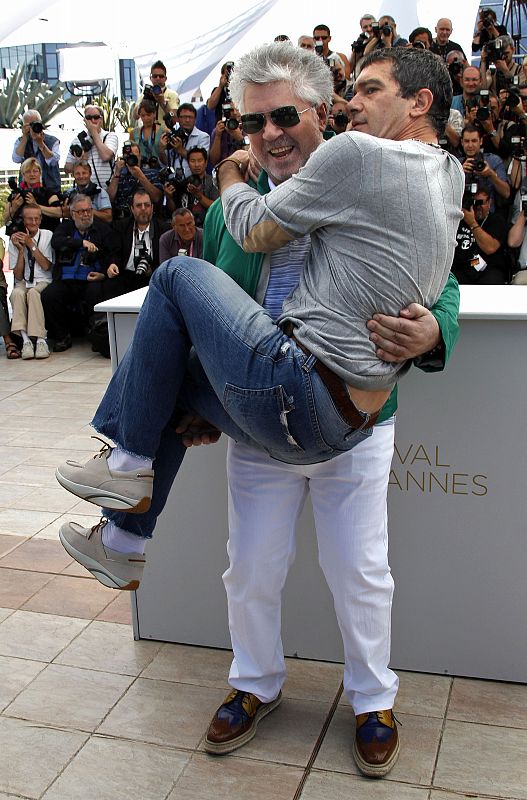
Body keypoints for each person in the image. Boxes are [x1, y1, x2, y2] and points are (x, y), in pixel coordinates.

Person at [56, 46, 462, 778]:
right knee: (250, 567)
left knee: (359, 569)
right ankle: (253, 685)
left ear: (320, 114)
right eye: (251, 122)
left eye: (284, 115)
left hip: (352, 420)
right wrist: (205, 399)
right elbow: (202, 318)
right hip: (259, 414)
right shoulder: (226, 217)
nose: (270, 133)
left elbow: (442, 284)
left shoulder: (373, 171)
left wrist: (434, 331)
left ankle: (371, 700)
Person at [41, 194, 116, 352]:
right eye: (81, 212)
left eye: (88, 210)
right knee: (49, 295)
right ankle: (62, 336)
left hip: (91, 278)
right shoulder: (66, 227)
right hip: (67, 279)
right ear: (73, 213)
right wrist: (80, 243)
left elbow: (112, 254)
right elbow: (56, 242)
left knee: (95, 294)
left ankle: (97, 337)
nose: (86, 214)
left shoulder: (102, 229)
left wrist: (103, 273)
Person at [8, 206, 54, 359]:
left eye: (37, 218)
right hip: (25, 282)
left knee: (34, 293)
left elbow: (46, 266)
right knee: (17, 293)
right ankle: (26, 340)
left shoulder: (47, 235)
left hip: (43, 280)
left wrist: (30, 244)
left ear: (41, 219)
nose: (34, 222)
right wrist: (21, 250)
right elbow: (18, 275)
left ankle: (40, 340)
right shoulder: (15, 239)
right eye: (30, 218)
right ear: (23, 220)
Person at [103, 189, 165, 300]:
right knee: (110, 286)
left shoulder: (163, 229)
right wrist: (113, 264)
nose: (143, 209)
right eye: (139, 205)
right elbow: (114, 252)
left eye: (146, 205)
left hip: (152, 276)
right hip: (126, 275)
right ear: (132, 209)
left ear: (152, 208)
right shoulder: (120, 227)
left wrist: (152, 270)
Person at [452, 188, 507, 284]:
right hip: (462, 267)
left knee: (491, 280)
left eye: (480, 203)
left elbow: (490, 248)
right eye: (474, 202)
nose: (477, 206)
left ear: (489, 203)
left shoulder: (496, 220)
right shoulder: (460, 221)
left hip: (488, 269)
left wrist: (472, 223)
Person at [64, 105, 118, 190]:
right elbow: (67, 169)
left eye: (96, 117)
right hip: (83, 190)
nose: (92, 120)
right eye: (89, 117)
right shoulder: (77, 140)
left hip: (106, 189)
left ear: (101, 119)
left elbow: (106, 156)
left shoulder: (110, 136)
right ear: (85, 120)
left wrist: (94, 133)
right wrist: (78, 162)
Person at [3, 157, 61, 233]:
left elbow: (59, 212)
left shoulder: (48, 192)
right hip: (22, 235)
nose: (32, 174)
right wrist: (14, 208)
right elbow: (6, 220)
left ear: (40, 173)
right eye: (28, 171)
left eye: (35, 171)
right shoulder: (17, 194)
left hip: (47, 234)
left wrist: (36, 205)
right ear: (23, 174)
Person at [108, 142, 163, 218]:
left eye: (134, 156)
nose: (131, 159)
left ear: (140, 157)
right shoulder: (118, 175)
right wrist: (117, 173)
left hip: (144, 216)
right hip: (122, 219)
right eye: (129, 157)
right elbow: (110, 198)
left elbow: (157, 198)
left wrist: (140, 176)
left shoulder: (152, 173)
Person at [12, 110, 61, 193]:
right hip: (27, 188)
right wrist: (24, 137)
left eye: (35, 123)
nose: (33, 127)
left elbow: (53, 161)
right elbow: (16, 159)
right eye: (30, 125)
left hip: (50, 189)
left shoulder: (52, 140)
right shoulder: (20, 141)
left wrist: (41, 143)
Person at [163, 104, 210, 179]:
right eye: (184, 117)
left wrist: (180, 150)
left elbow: (202, 161)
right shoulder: (173, 135)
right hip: (173, 181)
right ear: (178, 119)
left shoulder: (203, 136)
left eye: (190, 117)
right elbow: (165, 161)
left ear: (195, 119)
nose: (187, 120)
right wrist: (161, 148)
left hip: (194, 181)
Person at [135, 60, 179, 126]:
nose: (158, 78)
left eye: (161, 76)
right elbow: (135, 116)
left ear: (165, 78)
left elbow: (175, 118)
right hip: (148, 133)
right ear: (150, 78)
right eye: (155, 76)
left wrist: (163, 103)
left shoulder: (172, 95)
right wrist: (145, 99)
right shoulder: (144, 95)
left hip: (165, 133)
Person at [130, 99, 167, 165]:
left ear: (154, 114)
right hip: (140, 169)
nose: (146, 118)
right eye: (143, 115)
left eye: (149, 115)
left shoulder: (164, 131)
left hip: (159, 168)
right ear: (140, 116)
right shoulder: (133, 133)